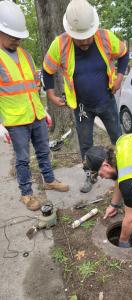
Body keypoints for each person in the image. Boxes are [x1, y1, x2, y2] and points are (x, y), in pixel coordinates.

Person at [43, 0, 129, 193]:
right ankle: (90, 175)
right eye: (78, 37)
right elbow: (47, 70)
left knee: (119, 138)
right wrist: (51, 95)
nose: (83, 42)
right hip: (82, 108)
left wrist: (120, 78)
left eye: (87, 37)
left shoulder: (106, 37)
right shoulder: (60, 44)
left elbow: (124, 54)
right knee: (85, 143)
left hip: (107, 101)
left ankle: (125, 173)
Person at [0, 1, 69, 211]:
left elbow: (32, 87)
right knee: (22, 159)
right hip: (15, 120)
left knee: (43, 152)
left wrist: (44, 110)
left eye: (19, 36)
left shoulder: (26, 55)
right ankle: (26, 194)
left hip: (36, 115)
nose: (17, 40)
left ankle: (49, 180)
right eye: (13, 36)